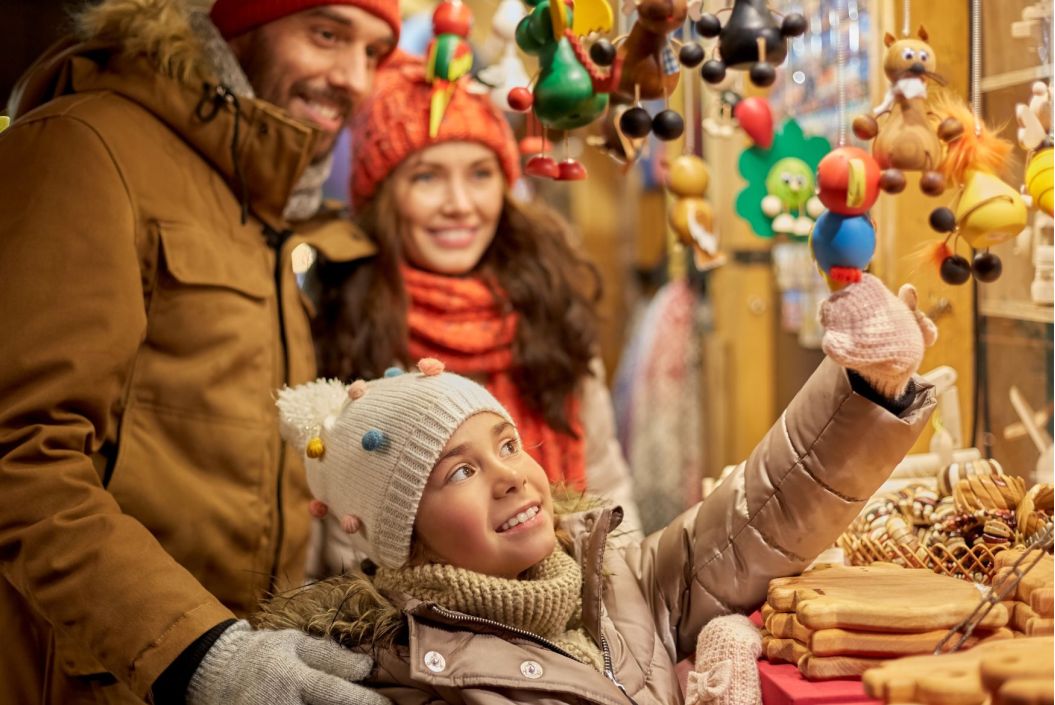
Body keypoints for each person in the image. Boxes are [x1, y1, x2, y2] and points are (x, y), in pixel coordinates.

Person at [260, 273, 937, 704]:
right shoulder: (419, 680)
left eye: (506, 444)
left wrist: (862, 388)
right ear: (403, 538)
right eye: (459, 472)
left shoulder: (617, 579)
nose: (506, 476)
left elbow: (755, 515)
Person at [0, 0, 401, 703]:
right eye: (328, 34)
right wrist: (195, 649)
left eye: (375, 52)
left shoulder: (252, 196)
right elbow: (20, 449)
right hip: (96, 677)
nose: (355, 78)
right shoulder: (84, 145)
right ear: (237, 25)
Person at [310, 55, 643, 570]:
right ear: (382, 195)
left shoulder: (546, 304)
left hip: (575, 606)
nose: (460, 204)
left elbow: (605, 484)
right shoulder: (343, 325)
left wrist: (622, 608)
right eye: (427, 178)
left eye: (481, 174)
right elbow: (341, 546)